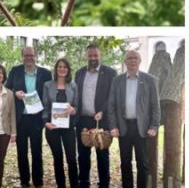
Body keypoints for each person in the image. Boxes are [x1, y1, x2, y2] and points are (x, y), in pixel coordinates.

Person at [108, 50, 161, 188]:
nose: (132, 60)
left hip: (142, 128)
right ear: (125, 62)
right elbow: (111, 105)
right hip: (123, 127)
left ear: (139, 61)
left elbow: (155, 105)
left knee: (142, 163)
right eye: (129, 58)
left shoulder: (150, 80)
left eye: (135, 58)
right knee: (125, 163)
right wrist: (113, 126)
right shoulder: (117, 80)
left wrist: (154, 126)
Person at [6, 46, 52, 188]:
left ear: (36, 56)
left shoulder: (46, 73)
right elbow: (7, 89)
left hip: (37, 118)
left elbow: (49, 94)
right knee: (21, 152)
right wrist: (15, 93)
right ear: (22, 57)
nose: (29, 58)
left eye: (31, 55)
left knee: (37, 151)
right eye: (26, 55)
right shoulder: (15, 71)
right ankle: (24, 181)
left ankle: (38, 181)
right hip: (20, 119)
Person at [76, 43, 118, 188]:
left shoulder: (110, 73)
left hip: (102, 120)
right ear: (86, 56)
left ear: (100, 55)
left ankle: (104, 184)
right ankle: (84, 183)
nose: (93, 58)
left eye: (95, 55)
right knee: (82, 155)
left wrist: (102, 111)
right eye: (90, 55)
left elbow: (112, 96)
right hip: (83, 120)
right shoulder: (80, 73)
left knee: (102, 154)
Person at [42, 59, 78, 188]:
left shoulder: (73, 86)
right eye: (59, 67)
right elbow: (45, 106)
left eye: (64, 67)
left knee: (72, 159)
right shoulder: (47, 85)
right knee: (57, 159)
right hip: (52, 128)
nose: (62, 69)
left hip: (68, 128)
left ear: (68, 70)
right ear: (56, 69)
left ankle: (74, 184)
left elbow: (77, 106)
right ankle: (60, 185)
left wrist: (73, 110)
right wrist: (46, 122)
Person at [0, 65, 16, 186]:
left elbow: (12, 114)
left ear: (4, 76)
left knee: (0, 160)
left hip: (4, 132)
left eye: (1, 73)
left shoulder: (9, 93)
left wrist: (13, 132)